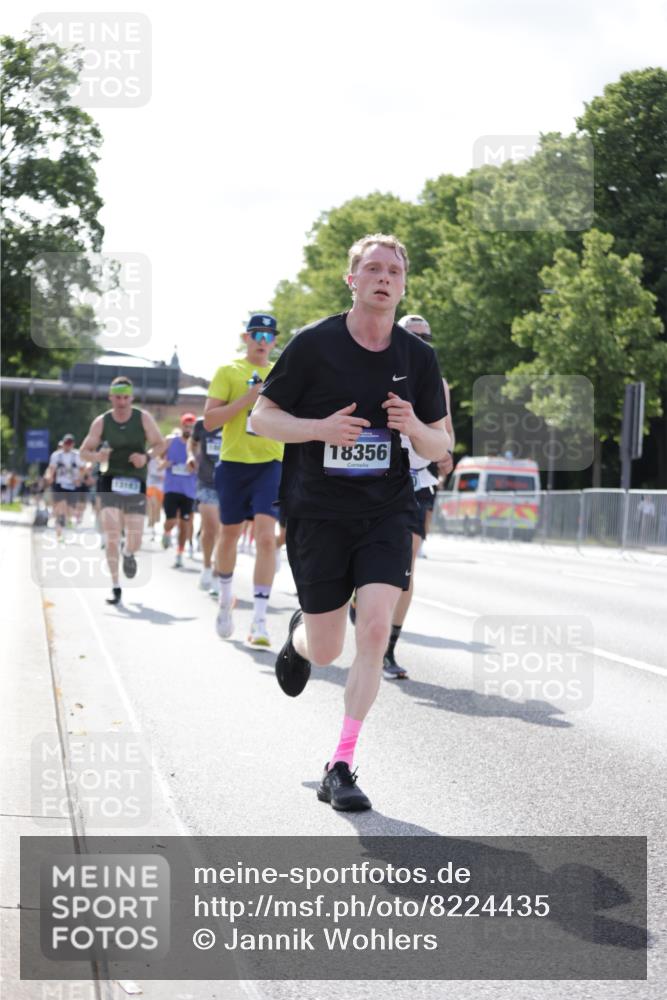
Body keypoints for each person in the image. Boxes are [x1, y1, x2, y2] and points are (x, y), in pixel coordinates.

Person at [251, 234, 450, 811]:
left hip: (388, 509)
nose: (383, 278)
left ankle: (341, 763)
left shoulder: (418, 359)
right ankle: (299, 636)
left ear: (403, 284)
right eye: (373, 269)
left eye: (394, 270)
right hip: (319, 511)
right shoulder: (314, 345)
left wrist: (414, 425)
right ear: (353, 280)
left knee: (375, 626)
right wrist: (317, 429)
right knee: (326, 647)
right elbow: (263, 419)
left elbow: (441, 444)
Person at [372, 313, 455, 679]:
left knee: (405, 566)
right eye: (412, 335)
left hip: (418, 482)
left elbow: (445, 432)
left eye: (426, 335)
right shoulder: (377, 370)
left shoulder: (438, 381)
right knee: (367, 562)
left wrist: (445, 455)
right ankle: (363, 602)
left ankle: (387, 650)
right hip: (375, 480)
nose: (420, 340)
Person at [204, 313, 284, 649]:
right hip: (234, 463)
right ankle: (225, 599)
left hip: (271, 462)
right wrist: (248, 400)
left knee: (267, 539)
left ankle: (260, 620)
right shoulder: (228, 371)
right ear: (246, 338)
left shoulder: (284, 372)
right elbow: (209, 421)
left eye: (268, 336)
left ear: (275, 341)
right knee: (230, 535)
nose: (262, 341)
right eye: (257, 335)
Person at [80, 376, 165, 604]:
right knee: (112, 535)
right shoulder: (102, 422)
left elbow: (161, 444)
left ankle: (128, 554)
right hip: (109, 480)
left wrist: (145, 457)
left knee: (135, 537)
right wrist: (97, 456)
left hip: (135, 480)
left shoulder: (143, 418)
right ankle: (116, 586)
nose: (122, 401)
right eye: (117, 397)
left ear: (131, 397)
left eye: (126, 397)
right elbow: (84, 451)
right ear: (111, 397)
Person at [188, 415, 222, 591]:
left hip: (232, 483)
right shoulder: (203, 423)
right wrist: (191, 457)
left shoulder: (241, 419)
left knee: (225, 532)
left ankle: (218, 573)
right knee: (211, 529)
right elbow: (192, 443)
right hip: (207, 482)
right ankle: (207, 567)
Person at [160, 413, 198, 568]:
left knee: (184, 524)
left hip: (189, 490)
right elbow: (159, 457)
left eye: (191, 426)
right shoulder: (170, 441)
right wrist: (165, 463)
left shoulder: (197, 446)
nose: (188, 429)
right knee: (171, 520)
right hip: (171, 487)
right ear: (182, 425)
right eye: (186, 426)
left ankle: (179, 554)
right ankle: (167, 532)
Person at [44, 434, 82, 541]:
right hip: (60, 485)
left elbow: (83, 468)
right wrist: (50, 477)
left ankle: (64, 525)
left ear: (73, 445)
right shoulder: (56, 455)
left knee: (69, 511)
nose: (67, 446)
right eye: (66, 444)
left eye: (69, 444)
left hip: (72, 486)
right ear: (63, 443)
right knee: (61, 508)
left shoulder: (77, 455)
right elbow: (51, 469)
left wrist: (79, 478)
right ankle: (59, 532)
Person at [146, 455, 165, 540]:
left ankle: (155, 528)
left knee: (157, 508)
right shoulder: (150, 456)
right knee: (152, 506)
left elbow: (162, 469)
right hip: (151, 485)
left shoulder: (166, 458)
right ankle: (150, 527)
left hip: (162, 487)